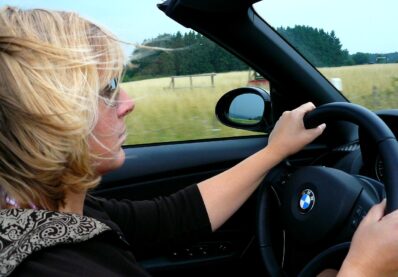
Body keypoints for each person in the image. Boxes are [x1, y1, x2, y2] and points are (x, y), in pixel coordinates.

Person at [0, 6, 397, 277]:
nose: (128, 103)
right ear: (50, 117)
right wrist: (363, 268)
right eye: (107, 89)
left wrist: (275, 150)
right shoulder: (57, 267)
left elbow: (174, 217)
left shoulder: (56, 208)